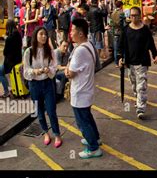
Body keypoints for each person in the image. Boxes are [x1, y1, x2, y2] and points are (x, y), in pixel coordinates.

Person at [65, 19, 101, 159]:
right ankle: (95, 138)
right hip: (87, 90)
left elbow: (70, 73)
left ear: (80, 33)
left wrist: (68, 69)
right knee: (87, 117)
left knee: (82, 121)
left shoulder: (80, 50)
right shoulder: (88, 44)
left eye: (73, 30)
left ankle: (93, 148)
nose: (71, 33)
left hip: (80, 92)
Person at [23, 27, 62, 148]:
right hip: (34, 85)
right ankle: (46, 133)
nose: (44, 36)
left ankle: (57, 134)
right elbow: (26, 70)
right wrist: (35, 71)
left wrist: (48, 69)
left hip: (48, 83)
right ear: (36, 36)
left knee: (51, 110)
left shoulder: (49, 50)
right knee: (39, 111)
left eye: (45, 34)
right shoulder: (28, 52)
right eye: (41, 34)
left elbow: (54, 66)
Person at [118, 7, 157, 119]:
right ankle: (138, 98)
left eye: (135, 15)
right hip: (130, 62)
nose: (133, 17)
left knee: (141, 86)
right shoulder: (126, 30)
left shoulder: (145, 30)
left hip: (142, 62)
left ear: (140, 16)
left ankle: (141, 108)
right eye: (131, 15)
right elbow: (120, 45)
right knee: (134, 84)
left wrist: (155, 55)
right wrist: (120, 57)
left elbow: (151, 43)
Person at [1, 20, 22, 98]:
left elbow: (5, 52)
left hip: (10, 62)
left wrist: (6, 39)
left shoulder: (9, 38)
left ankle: (7, 91)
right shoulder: (18, 35)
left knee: (0, 72)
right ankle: (10, 90)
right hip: (18, 59)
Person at [110, 1, 124, 68]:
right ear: (121, 6)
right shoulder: (121, 13)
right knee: (122, 47)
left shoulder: (112, 13)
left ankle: (116, 63)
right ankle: (122, 61)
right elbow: (124, 23)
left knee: (115, 48)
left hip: (114, 32)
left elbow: (111, 23)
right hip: (120, 32)